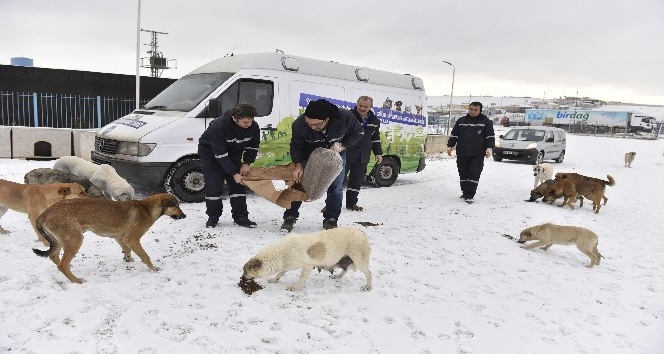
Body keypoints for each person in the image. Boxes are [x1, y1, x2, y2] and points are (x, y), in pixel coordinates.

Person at [280, 99, 364, 231]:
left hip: (335, 155)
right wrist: (298, 165)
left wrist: (343, 145)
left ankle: (331, 219)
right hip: (310, 156)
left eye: (316, 124)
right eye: (309, 124)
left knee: (336, 187)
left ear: (326, 119)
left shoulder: (345, 117)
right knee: (299, 184)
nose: (312, 127)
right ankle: (290, 216)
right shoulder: (300, 125)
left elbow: (358, 132)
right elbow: (296, 146)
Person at [198, 103, 260, 228]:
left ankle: (241, 216)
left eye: (251, 121)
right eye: (245, 122)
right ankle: (213, 216)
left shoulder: (253, 127)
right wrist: (233, 173)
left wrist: (246, 163)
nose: (249, 124)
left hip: (233, 153)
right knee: (214, 185)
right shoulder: (218, 126)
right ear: (234, 118)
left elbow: (252, 147)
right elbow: (220, 154)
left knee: (238, 185)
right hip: (211, 154)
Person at [446, 101, 495, 204]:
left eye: (475, 110)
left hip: (477, 154)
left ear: (480, 110)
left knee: (473, 173)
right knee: (463, 173)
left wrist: (489, 148)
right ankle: (464, 192)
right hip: (462, 152)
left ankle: (470, 195)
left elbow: (490, 136)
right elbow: (454, 135)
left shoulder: (486, 122)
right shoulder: (461, 121)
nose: (473, 112)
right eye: (471, 109)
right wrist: (450, 146)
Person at [345, 96, 382, 211]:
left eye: (365, 106)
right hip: (346, 153)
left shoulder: (374, 121)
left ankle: (352, 203)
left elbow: (375, 138)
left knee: (356, 181)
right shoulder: (348, 116)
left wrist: (378, 153)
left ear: (371, 107)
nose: (362, 108)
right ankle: (330, 205)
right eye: (360, 105)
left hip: (363, 155)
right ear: (357, 104)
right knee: (337, 181)